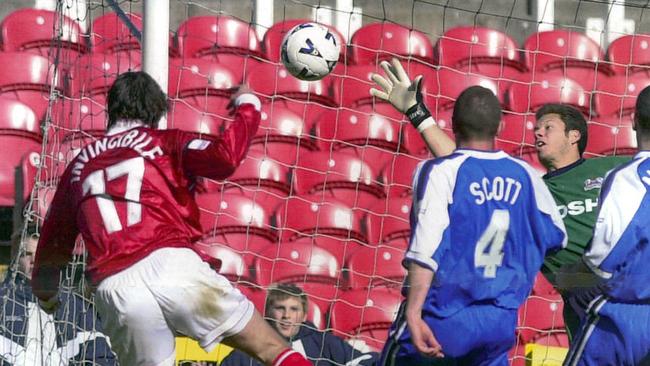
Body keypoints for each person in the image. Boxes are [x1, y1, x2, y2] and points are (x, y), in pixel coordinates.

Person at [30, 71, 311, 366]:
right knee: (270, 348)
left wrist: (46, 294)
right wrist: (248, 104)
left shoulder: (78, 167)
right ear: (157, 111)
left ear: (110, 110)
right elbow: (225, 157)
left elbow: (53, 241)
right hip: (172, 265)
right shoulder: (166, 142)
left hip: (117, 287)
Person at [370, 58, 629, 338]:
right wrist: (417, 113)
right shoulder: (529, 187)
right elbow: (465, 163)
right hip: (588, 308)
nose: (538, 132)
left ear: (574, 135)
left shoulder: (612, 169)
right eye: (536, 128)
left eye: (548, 127)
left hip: (635, 291)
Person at [373, 82, 567, 365]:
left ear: (452, 125)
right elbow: (557, 237)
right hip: (499, 321)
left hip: (443, 316)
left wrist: (414, 313)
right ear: (500, 127)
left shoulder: (438, 171)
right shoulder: (527, 175)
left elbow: (426, 250)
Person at [560, 85, 650, 365]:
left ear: (633, 120)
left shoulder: (627, 178)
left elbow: (600, 263)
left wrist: (567, 280)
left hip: (622, 319)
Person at [0, 224, 116, 365]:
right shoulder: (3, 302)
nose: (34, 261)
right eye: (27, 254)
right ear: (16, 258)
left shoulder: (77, 307)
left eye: (41, 254)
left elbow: (101, 356)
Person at [221, 284, 378, 366]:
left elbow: (365, 360)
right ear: (268, 313)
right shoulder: (248, 349)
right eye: (280, 308)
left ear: (303, 316)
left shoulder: (322, 342)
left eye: (294, 309)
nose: (286, 316)